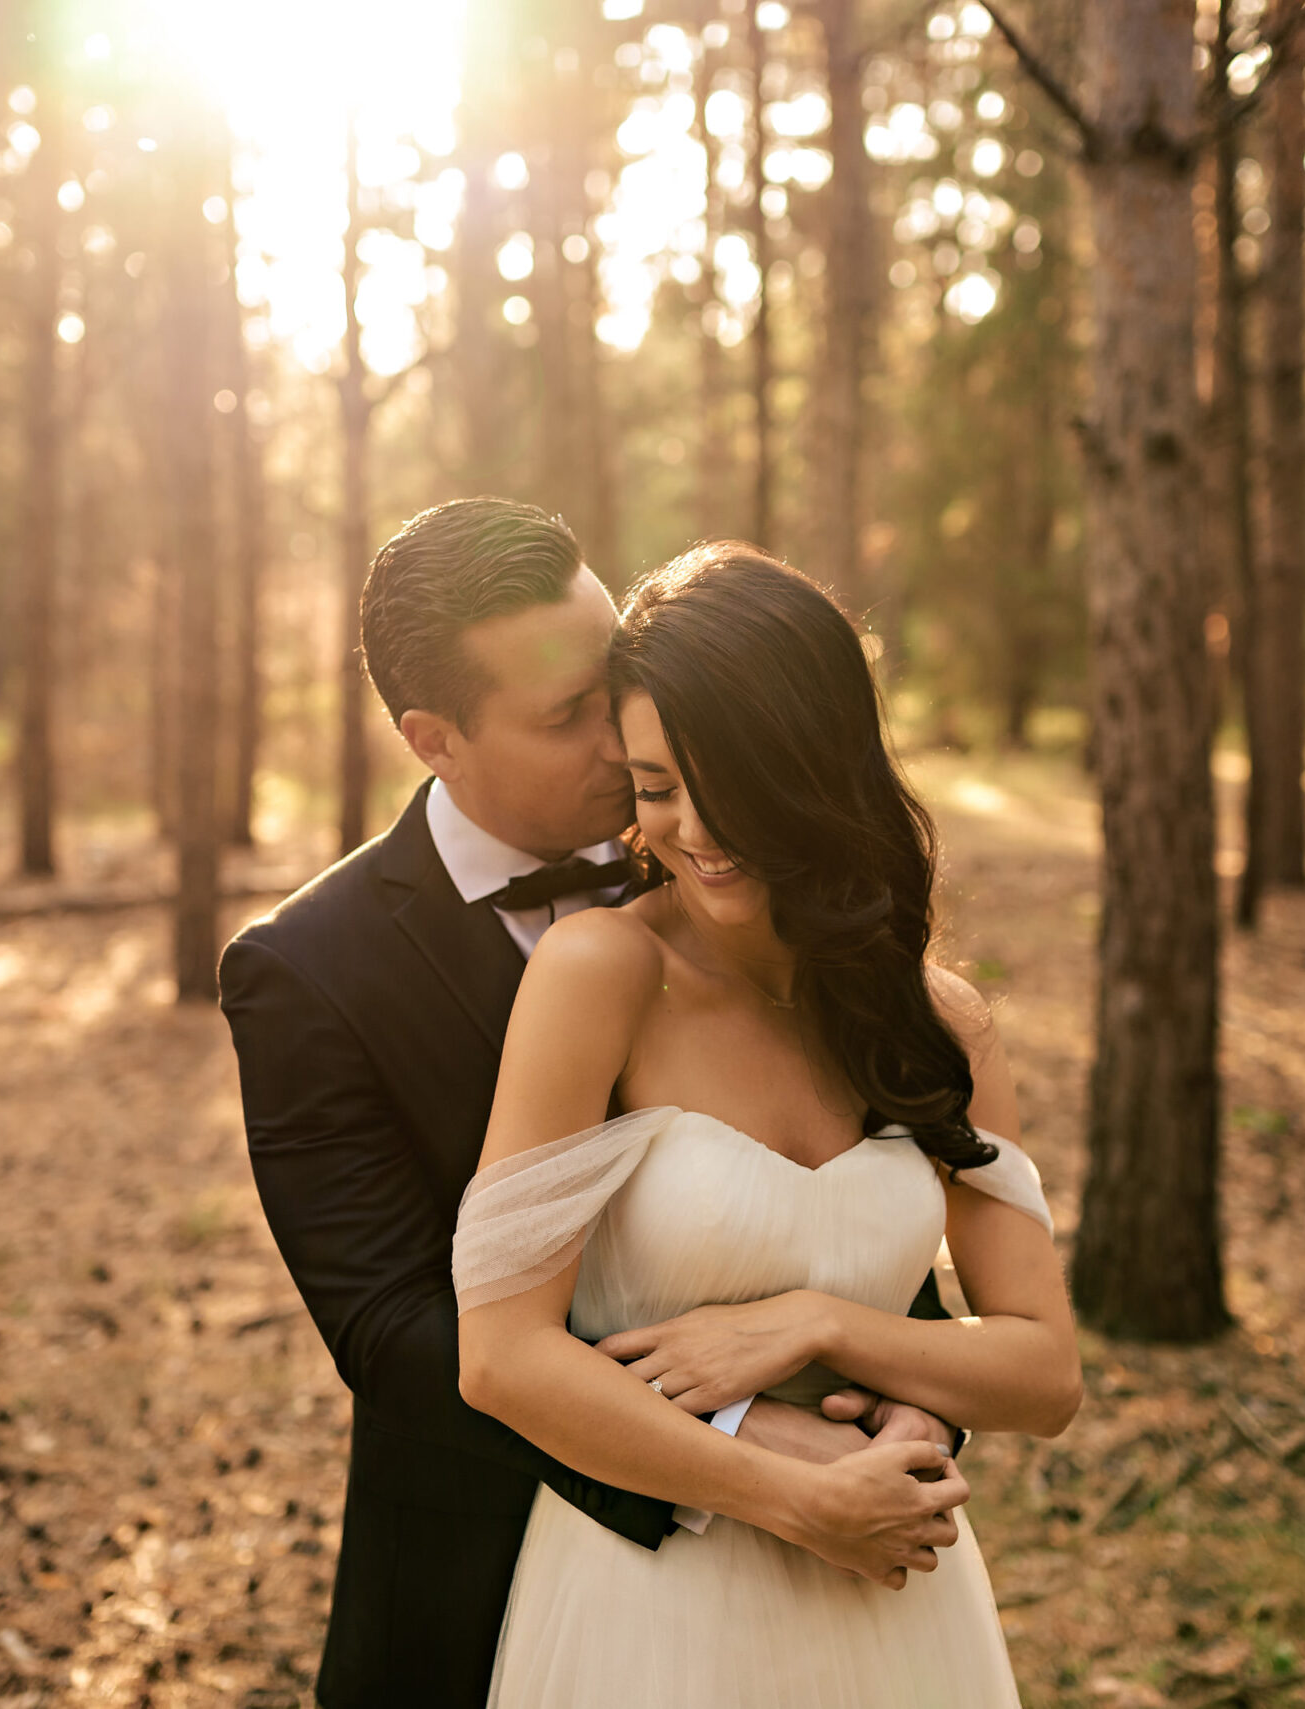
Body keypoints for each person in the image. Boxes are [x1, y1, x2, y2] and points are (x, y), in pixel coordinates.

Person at [218, 501, 972, 1709]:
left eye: (613, 674)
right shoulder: (309, 971)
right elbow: (393, 1328)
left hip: (816, 1571)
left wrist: (897, 1408)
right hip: (479, 1570)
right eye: (567, 716)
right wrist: (736, 1438)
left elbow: (840, 1166)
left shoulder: (729, 854)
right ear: (434, 738)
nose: (623, 745)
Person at [454, 543, 1084, 1706]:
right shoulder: (600, 973)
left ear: (815, 761)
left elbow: (1043, 1369)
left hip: (902, 1612)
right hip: (653, 1616)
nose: (695, 828)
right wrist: (790, 1494)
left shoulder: (937, 1019)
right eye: (655, 786)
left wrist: (815, 1324)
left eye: (726, 777)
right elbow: (500, 1355)